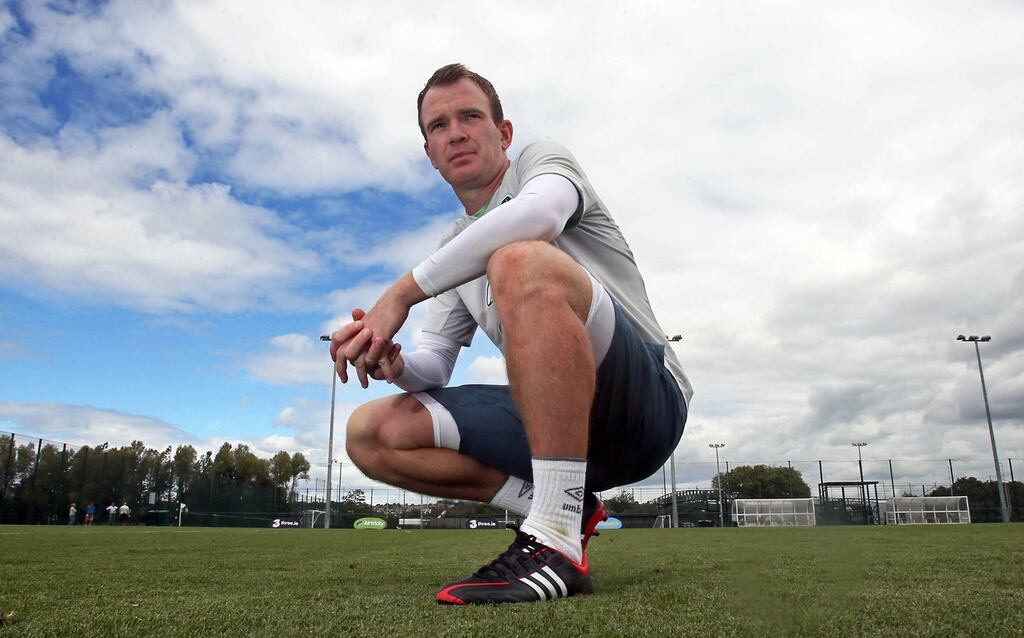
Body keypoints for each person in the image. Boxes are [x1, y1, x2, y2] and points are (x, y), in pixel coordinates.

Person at [331, 63, 692, 605]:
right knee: (371, 432)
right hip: (554, 427)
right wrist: (395, 363)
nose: (455, 133)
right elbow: (434, 365)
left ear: (503, 133)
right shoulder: (452, 251)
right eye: (439, 126)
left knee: (518, 259)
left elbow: (540, 214)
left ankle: (554, 541)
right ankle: (563, 508)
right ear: (430, 153)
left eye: (470, 116)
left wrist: (401, 293)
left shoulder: (540, 164)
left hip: (643, 410)